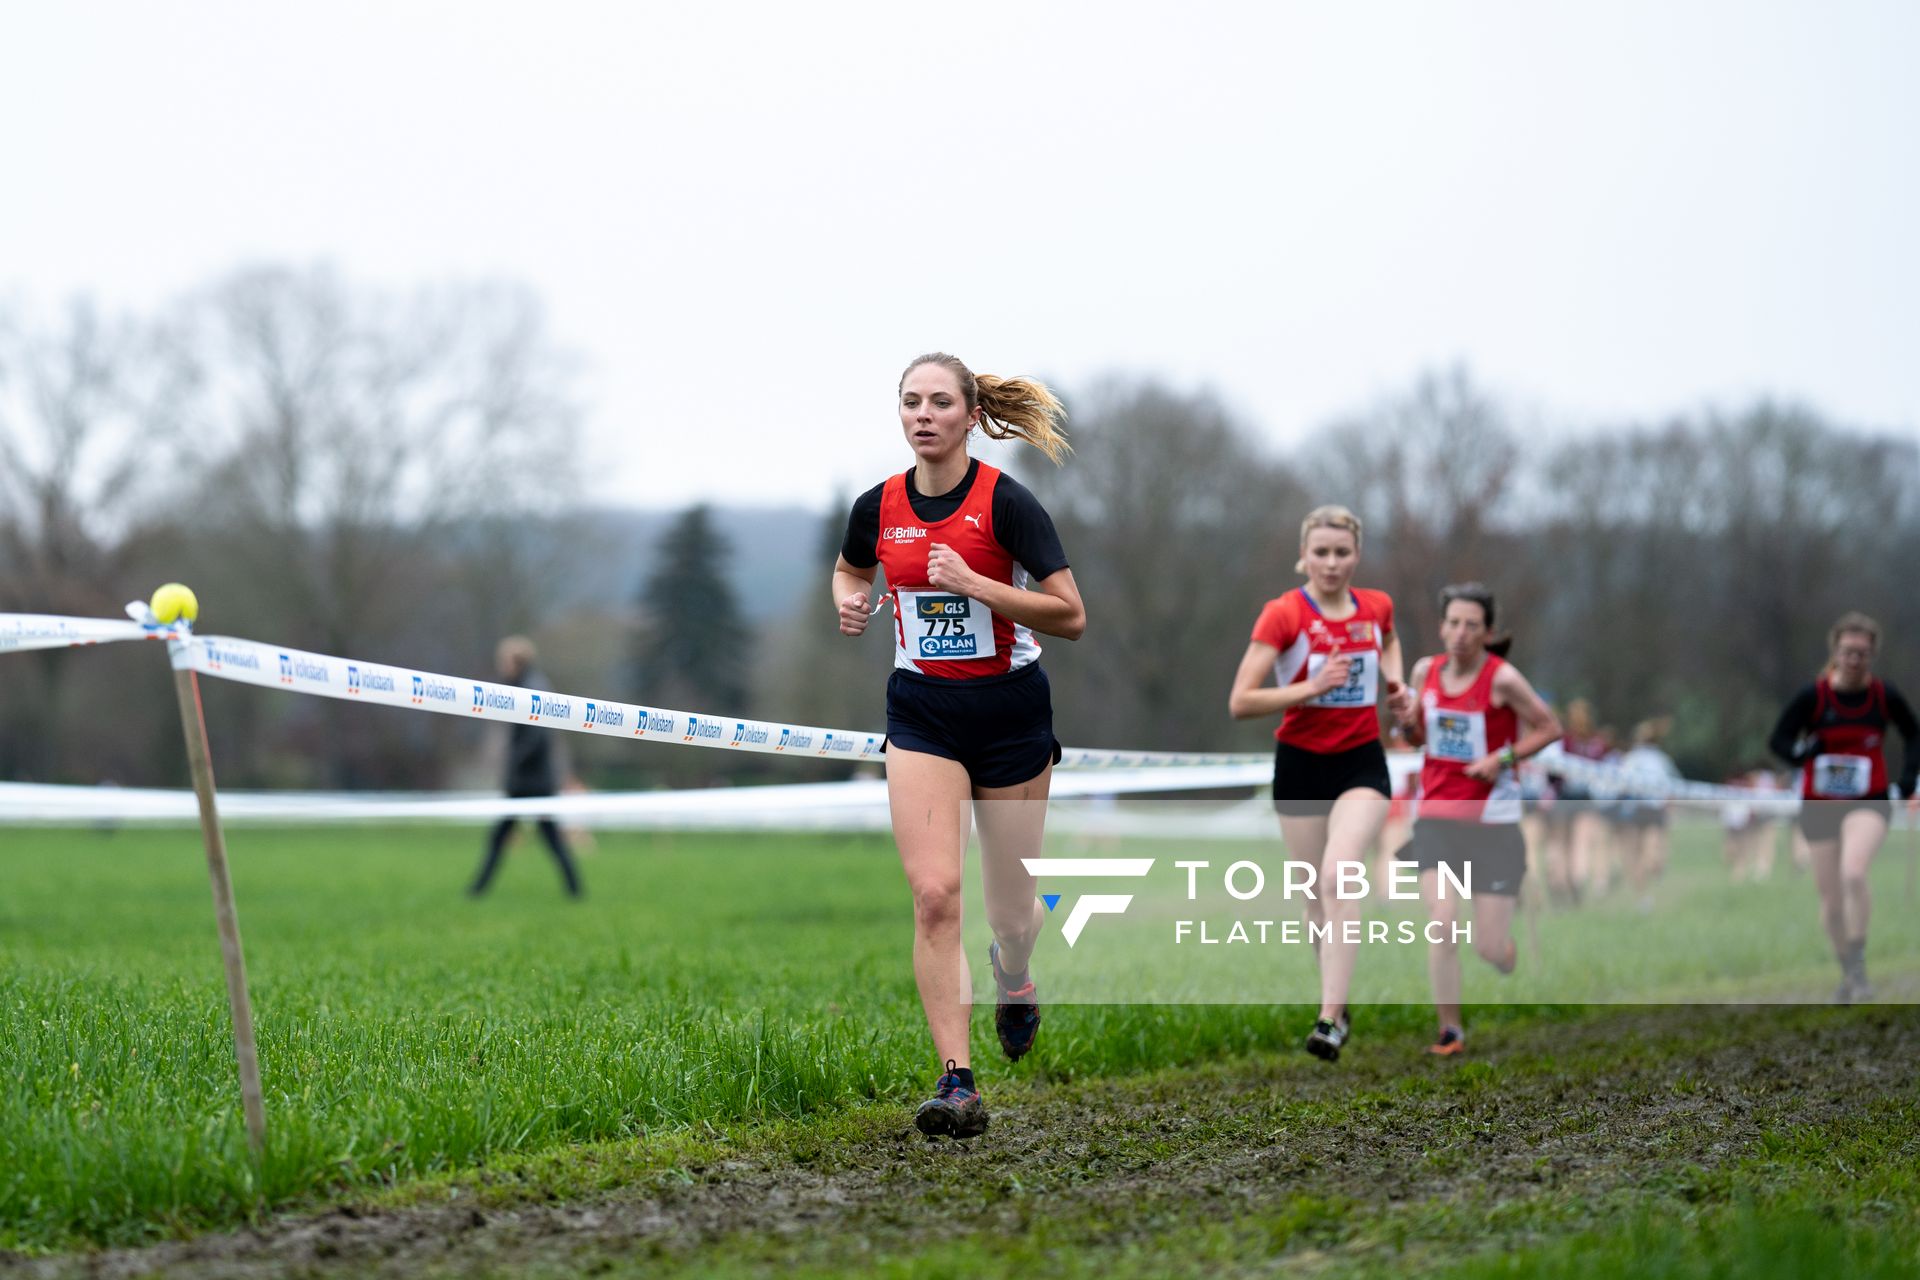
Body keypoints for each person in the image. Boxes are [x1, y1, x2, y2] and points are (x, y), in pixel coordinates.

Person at [832, 352, 1084, 1139]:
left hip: (1010, 716)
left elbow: (1069, 613)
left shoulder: (1007, 504)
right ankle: (958, 1081)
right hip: (923, 717)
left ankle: (1015, 973)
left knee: (1012, 915)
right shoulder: (876, 507)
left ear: (971, 417)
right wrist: (851, 600)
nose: (924, 414)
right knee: (936, 895)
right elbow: (847, 572)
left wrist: (976, 584)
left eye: (940, 402)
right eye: (911, 402)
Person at [1229, 505, 1413, 1063]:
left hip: (1360, 762)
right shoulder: (1283, 614)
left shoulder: (1376, 606)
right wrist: (1309, 688)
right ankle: (1339, 1002)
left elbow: (1390, 638)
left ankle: (1329, 1018)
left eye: (1342, 552)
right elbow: (1241, 702)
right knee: (1315, 900)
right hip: (1301, 764)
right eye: (1321, 553)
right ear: (1303, 556)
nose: (1331, 563)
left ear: (1356, 554)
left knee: (1340, 876)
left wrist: (1396, 684)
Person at [1395, 583, 1561, 1057]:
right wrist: (1407, 723)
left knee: (1490, 949)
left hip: (1493, 825)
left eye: (1472, 625)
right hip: (1436, 820)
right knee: (1442, 923)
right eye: (1453, 623)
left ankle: (1504, 952)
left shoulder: (1503, 678)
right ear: (1441, 626)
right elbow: (1418, 738)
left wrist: (1502, 758)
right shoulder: (1425, 671)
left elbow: (1550, 728)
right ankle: (1450, 1030)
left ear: (1488, 632)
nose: (1461, 633)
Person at [1768, 612, 1919, 1002]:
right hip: (1820, 805)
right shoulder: (1813, 696)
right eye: (1849, 652)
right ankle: (1849, 971)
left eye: (1863, 654)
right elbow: (1778, 741)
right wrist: (1803, 754)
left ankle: (1859, 964)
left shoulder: (1884, 696)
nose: (1855, 660)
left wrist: (1907, 779)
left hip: (1868, 800)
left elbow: (1913, 735)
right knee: (1831, 904)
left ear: (1872, 656)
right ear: (1835, 651)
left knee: (1854, 873)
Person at [468, 636, 584, 899]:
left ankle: (478, 890)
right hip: (529, 780)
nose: (501, 666)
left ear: (516, 662)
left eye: (504, 661)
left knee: (540, 837)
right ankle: (478, 889)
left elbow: (537, 737)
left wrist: (514, 762)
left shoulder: (531, 689)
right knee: (516, 837)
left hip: (532, 782)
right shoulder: (521, 686)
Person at [1615, 718, 1682, 912]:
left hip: (1636, 809)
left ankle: (1642, 896)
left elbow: (1620, 782)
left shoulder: (1631, 758)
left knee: (1636, 855)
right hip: (1652, 809)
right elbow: (1674, 785)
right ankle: (1649, 884)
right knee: (1650, 851)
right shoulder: (1661, 759)